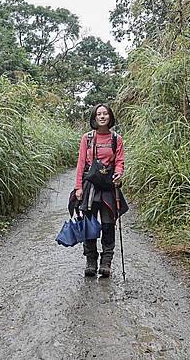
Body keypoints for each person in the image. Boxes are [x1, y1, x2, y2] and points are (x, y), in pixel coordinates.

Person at [74, 103, 128, 277]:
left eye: (105, 114)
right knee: (89, 224)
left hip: (108, 185)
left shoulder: (116, 139)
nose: (102, 116)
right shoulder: (87, 138)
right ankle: (91, 261)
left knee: (108, 224)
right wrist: (78, 187)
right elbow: (81, 163)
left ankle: (106, 262)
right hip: (90, 186)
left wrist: (119, 174)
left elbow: (119, 161)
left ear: (110, 117)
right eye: (99, 114)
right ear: (95, 117)